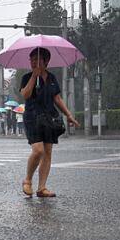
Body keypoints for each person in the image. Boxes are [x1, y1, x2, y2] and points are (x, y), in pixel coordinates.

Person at [20, 47, 80, 197]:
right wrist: (34, 76)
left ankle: (42, 188)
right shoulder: (27, 77)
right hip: (32, 117)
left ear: (46, 61)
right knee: (38, 150)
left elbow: (57, 99)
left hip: (49, 118)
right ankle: (27, 180)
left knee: (47, 152)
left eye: (37, 60)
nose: (34, 63)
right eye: (32, 60)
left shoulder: (52, 78)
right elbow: (26, 95)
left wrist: (68, 115)